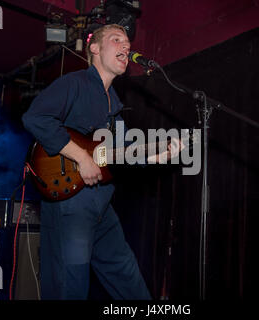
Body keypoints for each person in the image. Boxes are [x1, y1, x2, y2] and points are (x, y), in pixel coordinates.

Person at [22, 24, 154, 300]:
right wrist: (82, 157)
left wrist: (158, 154)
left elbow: (121, 152)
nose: (126, 47)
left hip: (102, 205)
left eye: (128, 42)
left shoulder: (114, 104)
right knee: (70, 286)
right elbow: (35, 117)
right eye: (117, 40)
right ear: (94, 48)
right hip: (72, 201)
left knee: (126, 275)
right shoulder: (75, 83)